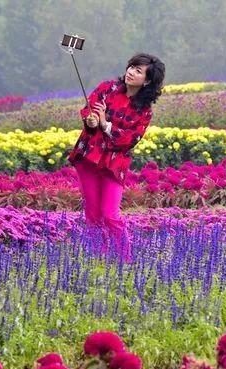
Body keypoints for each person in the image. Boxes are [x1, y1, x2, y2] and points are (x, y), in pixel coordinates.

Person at [68, 53, 165, 262]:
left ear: (146, 81)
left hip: (114, 165)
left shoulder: (144, 111)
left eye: (138, 71)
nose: (131, 72)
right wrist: (92, 121)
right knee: (93, 214)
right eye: (131, 67)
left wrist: (105, 124)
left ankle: (125, 261)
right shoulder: (107, 88)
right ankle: (98, 260)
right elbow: (89, 110)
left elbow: (130, 139)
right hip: (89, 158)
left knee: (110, 214)